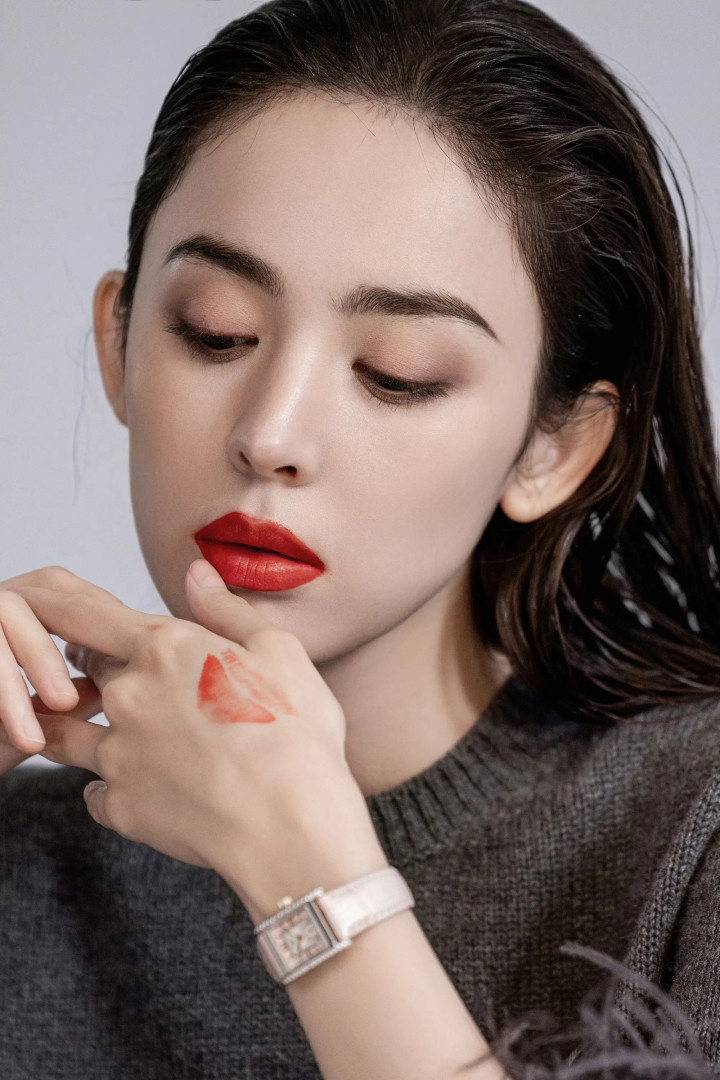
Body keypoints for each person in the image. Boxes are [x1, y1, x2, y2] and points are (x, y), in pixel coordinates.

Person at [1, 0, 719, 1077]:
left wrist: (304, 872)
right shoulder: (25, 856)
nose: (271, 435)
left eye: (396, 374)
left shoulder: (693, 829)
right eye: (217, 333)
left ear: (554, 447)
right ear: (119, 343)